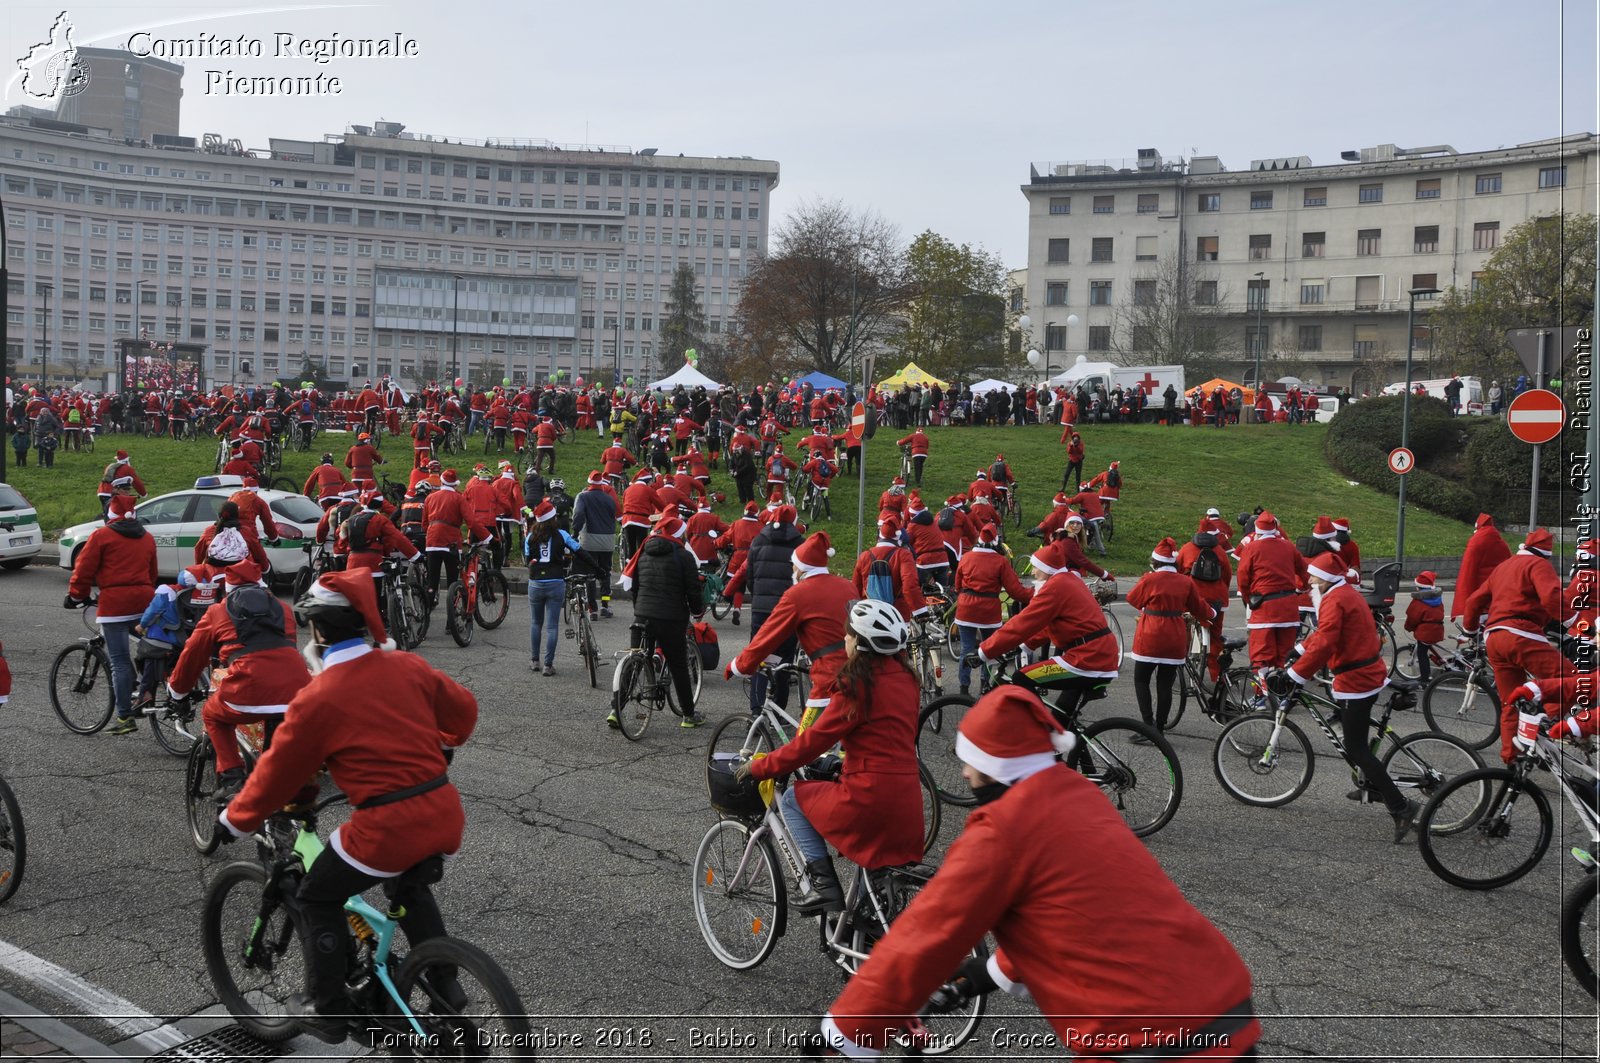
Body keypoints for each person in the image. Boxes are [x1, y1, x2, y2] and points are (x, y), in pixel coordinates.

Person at [813, 685, 1260, 1059]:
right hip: (1223, 1008)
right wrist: (981, 976)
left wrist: (845, 1031)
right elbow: (1081, 913)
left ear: (995, 770)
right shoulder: (1077, 798)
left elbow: (923, 937)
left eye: (971, 762)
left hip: (1152, 1037)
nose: (965, 772)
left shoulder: (1004, 829)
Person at [217, 570, 477, 1044]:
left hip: (386, 824)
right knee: (409, 884)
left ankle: (329, 1007)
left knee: (318, 894)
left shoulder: (318, 696)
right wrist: (440, 742)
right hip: (443, 810)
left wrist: (234, 820)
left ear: (316, 629)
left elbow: (278, 773)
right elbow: (463, 711)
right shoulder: (410, 667)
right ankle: (444, 982)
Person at [739, 599, 923, 915]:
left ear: (860, 642)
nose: (845, 640)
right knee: (876, 896)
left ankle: (823, 885)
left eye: (848, 634)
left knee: (794, 799)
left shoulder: (857, 685)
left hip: (868, 799)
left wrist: (762, 766)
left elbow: (810, 743)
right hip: (908, 801)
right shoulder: (908, 680)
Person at [1276, 553, 1419, 842]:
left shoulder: (1335, 599)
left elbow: (1327, 641)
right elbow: (1325, 634)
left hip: (1357, 679)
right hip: (1363, 672)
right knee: (1352, 732)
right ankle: (1371, 785)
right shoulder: (1343, 594)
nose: (1310, 580)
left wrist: (1295, 675)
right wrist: (1301, 650)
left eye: (1314, 576)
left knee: (1356, 748)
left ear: (1327, 578)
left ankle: (1401, 807)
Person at [166, 562, 311, 796]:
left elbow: (192, 656)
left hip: (248, 685)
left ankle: (232, 776)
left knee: (212, 714)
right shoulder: (283, 609)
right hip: (298, 690)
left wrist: (177, 692)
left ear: (228, 588)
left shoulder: (217, 611)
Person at [726, 531, 856, 724]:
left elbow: (768, 636)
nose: (792, 568)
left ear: (801, 568)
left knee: (805, 748)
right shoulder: (847, 586)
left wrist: (739, 665)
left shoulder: (797, 594)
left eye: (793, 564)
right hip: (859, 671)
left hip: (829, 678)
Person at [1460, 528, 1564, 765]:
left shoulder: (1504, 566)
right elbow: (1552, 597)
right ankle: (1545, 722)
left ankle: (1512, 758)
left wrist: (1469, 630)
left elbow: (1474, 600)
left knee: (1511, 701)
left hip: (1494, 636)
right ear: (1547, 554)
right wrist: (1576, 622)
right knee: (1570, 679)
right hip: (1520, 632)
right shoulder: (1539, 565)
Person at [65, 495, 159, 735]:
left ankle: (124, 716)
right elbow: (153, 572)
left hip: (115, 606)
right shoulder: (147, 537)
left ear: (109, 516)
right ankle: (146, 687)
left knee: (118, 662)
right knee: (150, 646)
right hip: (145, 600)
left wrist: (76, 596)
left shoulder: (101, 536)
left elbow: (83, 570)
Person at [976, 563, 1121, 719]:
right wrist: (1023, 647)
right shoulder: (1068, 581)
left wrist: (984, 651)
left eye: (1035, 567)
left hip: (1086, 659)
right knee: (1061, 717)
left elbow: (1022, 624)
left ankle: (1041, 727)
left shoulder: (1054, 588)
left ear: (1047, 569)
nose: (1032, 572)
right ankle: (1064, 739)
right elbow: (1048, 628)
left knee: (1021, 677)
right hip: (1100, 654)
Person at [619, 514, 705, 727]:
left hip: (642, 616)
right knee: (678, 666)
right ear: (678, 534)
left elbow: (636, 586)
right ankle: (688, 715)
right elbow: (693, 590)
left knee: (635, 662)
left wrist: (639, 609)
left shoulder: (644, 551)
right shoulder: (684, 557)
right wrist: (697, 611)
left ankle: (616, 710)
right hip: (671, 618)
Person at [1127, 538, 1216, 734]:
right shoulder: (1185, 581)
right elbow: (1200, 607)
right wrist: (1213, 614)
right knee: (1165, 684)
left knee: (1141, 680)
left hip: (1149, 635)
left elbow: (1132, 598)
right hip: (1174, 635)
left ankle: (1147, 725)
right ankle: (1159, 727)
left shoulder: (1149, 579)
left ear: (1155, 561)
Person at [729, 504, 805, 717]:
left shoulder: (759, 540)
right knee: (784, 660)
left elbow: (750, 576)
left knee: (759, 656)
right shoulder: (800, 544)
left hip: (761, 609)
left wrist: (758, 598)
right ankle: (778, 710)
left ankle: (755, 708)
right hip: (787, 610)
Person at [953, 523, 1033, 696]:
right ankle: (984, 684)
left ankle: (963, 689)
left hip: (965, 609)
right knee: (988, 648)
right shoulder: (1000, 561)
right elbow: (1015, 591)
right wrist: (1035, 595)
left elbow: (957, 585)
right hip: (988, 611)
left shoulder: (966, 558)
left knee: (966, 649)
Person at [1235, 511, 1307, 678]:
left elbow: (1243, 578)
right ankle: (1281, 695)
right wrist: (1300, 589)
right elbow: (1304, 572)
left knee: (1260, 655)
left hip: (1264, 608)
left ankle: (1261, 695)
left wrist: (1249, 599)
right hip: (1288, 608)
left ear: (1257, 529)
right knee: (1285, 654)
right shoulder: (1289, 546)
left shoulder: (1251, 548)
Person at [522, 499, 584, 675]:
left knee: (535, 623)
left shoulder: (530, 536)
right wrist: (596, 568)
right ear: (552, 517)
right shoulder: (562, 534)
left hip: (535, 583)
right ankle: (548, 665)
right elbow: (579, 551)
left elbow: (528, 560)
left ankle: (535, 661)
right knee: (552, 627)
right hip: (556, 582)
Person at [422, 470, 492, 602]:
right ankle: (453, 608)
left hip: (432, 542)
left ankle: (427, 607)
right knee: (452, 580)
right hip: (451, 542)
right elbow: (471, 522)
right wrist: (488, 537)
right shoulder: (459, 498)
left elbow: (424, 523)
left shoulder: (430, 498)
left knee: (432, 580)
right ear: (455, 485)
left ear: (441, 482)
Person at [1177, 522, 1234, 681]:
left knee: (1185, 629)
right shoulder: (1220, 551)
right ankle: (1216, 676)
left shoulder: (1187, 548)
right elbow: (1227, 575)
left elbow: (1179, 571)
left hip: (1192, 595)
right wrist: (1222, 591)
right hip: (1217, 599)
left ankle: (1182, 665)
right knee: (1216, 637)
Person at [853, 516, 928, 623]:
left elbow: (856, 587)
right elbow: (909, 585)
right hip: (897, 613)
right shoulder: (903, 555)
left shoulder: (864, 556)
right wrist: (920, 610)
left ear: (879, 535)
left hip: (870, 612)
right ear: (898, 537)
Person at [570, 471, 618, 620]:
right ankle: (605, 605)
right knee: (605, 573)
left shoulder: (583, 496)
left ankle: (592, 608)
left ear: (589, 482)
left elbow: (578, 515)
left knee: (589, 574)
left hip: (589, 539)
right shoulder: (609, 499)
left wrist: (575, 532)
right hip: (608, 540)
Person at [1451, 513, 1511, 620]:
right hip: (1499, 593)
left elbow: (1467, 570)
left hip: (1480, 592)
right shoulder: (1501, 542)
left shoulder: (1476, 541)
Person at [1404, 571, 1445, 683]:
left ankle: (1424, 680)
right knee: (1428, 646)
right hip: (1438, 629)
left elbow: (1412, 618)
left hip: (1425, 632)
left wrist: (1408, 627)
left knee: (1422, 655)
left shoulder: (1418, 602)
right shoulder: (1437, 599)